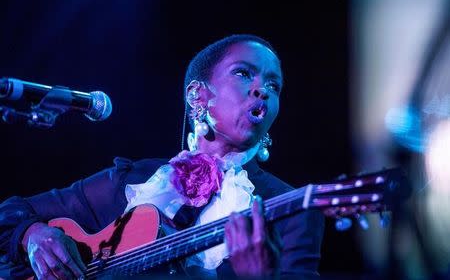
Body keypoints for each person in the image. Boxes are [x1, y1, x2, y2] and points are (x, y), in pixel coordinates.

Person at [0, 34, 324, 279]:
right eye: (243, 73)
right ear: (197, 95)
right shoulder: (132, 181)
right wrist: (33, 235)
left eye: (274, 85)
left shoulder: (291, 209)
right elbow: (9, 214)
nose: (262, 89)